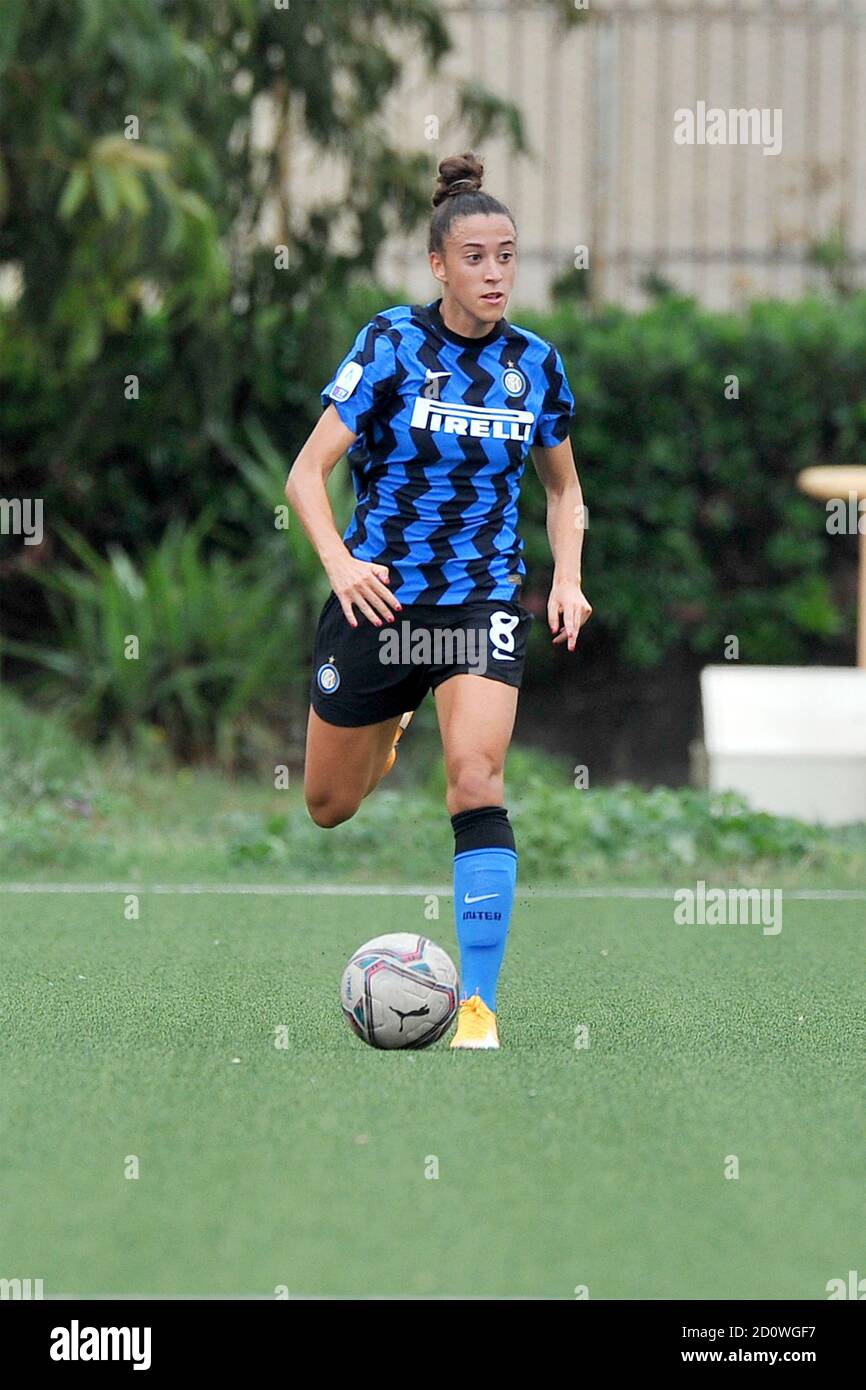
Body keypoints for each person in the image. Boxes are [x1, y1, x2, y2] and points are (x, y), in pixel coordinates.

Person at [284, 150, 592, 1049]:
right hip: (379, 601)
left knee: (477, 779)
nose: (494, 274)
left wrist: (567, 578)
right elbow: (307, 475)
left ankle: (479, 1009)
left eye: (507, 257)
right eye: (475, 258)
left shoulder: (535, 366)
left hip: (481, 602)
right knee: (329, 805)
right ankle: (392, 724)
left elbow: (564, 490)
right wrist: (341, 565)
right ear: (437, 265)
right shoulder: (391, 345)